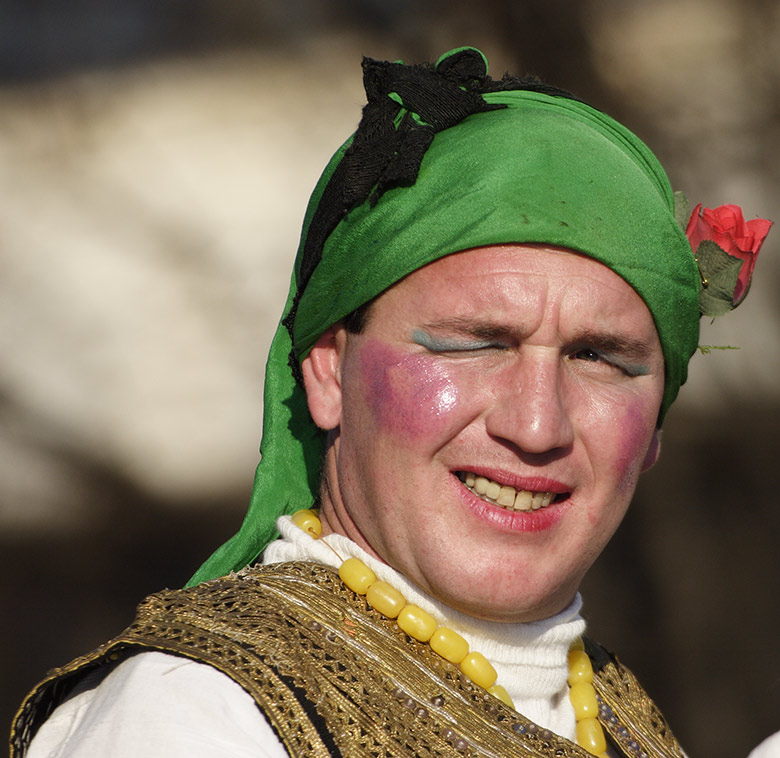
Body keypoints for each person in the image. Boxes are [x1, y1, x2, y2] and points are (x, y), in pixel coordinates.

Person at [11, 47, 773, 758]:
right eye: (476, 343)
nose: (537, 424)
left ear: (657, 428)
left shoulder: (612, 713)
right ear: (328, 370)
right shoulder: (193, 718)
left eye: (598, 358)